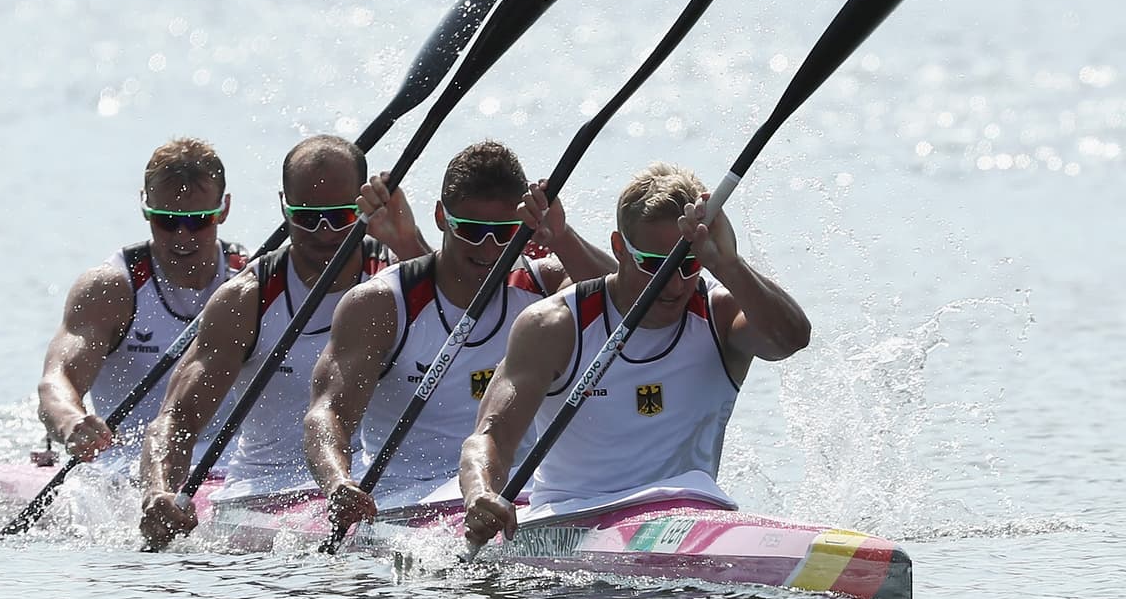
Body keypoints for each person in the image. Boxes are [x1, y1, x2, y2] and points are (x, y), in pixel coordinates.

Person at [458, 162, 812, 547]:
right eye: (654, 265)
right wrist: (481, 493)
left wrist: (729, 264)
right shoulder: (554, 326)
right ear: (618, 248)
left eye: (688, 265)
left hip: (689, 515)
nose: (674, 285)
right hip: (573, 519)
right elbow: (491, 437)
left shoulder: (720, 314)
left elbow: (790, 340)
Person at [303, 140, 616, 535]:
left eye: (503, 233)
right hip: (404, 500)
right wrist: (338, 483)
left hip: (510, 496)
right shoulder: (381, 303)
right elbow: (327, 412)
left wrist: (563, 236)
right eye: (470, 230)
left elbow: (629, 302)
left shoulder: (544, 285)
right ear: (441, 217)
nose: (488, 247)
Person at [138, 134, 428, 549]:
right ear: (283, 207)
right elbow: (177, 419)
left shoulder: (403, 278)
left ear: (363, 208)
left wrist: (409, 244)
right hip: (265, 493)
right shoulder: (246, 299)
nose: (325, 233)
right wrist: (158, 491)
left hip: (368, 494)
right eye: (307, 218)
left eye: (340, 217)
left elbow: (477, 325)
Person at [36, 137, 247, 470]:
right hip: (128, 467)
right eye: (167, 220)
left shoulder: (251, 281)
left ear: (224, 209)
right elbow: (56, 381)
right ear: (144, 207)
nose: (182, 236)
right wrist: (71, 421)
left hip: (235, 469)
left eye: (198, 221)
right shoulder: (110, 289)